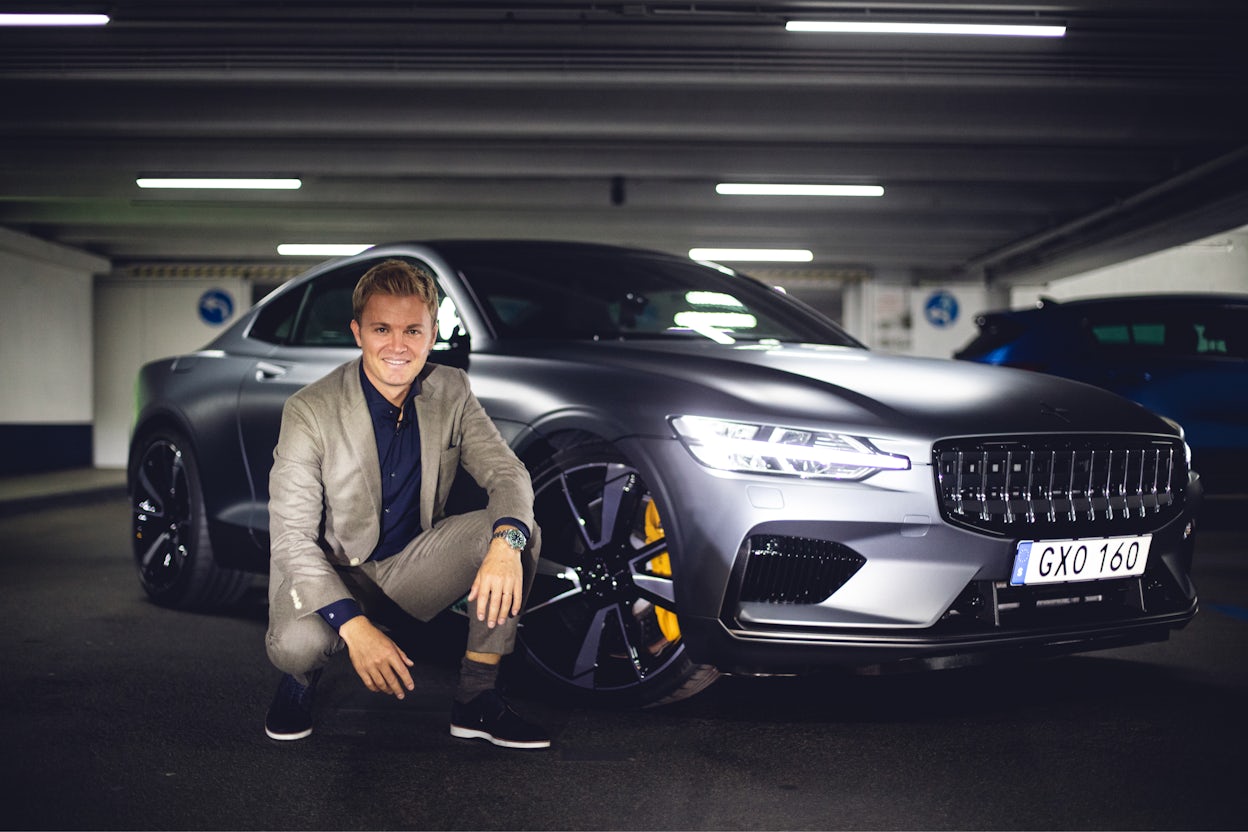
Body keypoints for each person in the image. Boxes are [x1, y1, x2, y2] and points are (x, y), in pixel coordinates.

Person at [262, 258, 549, 749]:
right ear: (357, 333)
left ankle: (476, 700)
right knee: (298, 647)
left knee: (516, 531)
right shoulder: (310, 409)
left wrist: (507, 542)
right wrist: (355, 627)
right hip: (333, 570)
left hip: (409, 566)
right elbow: (291, 539)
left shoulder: (451, 389)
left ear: (432, 332)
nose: (398, 345)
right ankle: (301, 680)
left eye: (413, 330)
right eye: (382, 329)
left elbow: (507, 474)